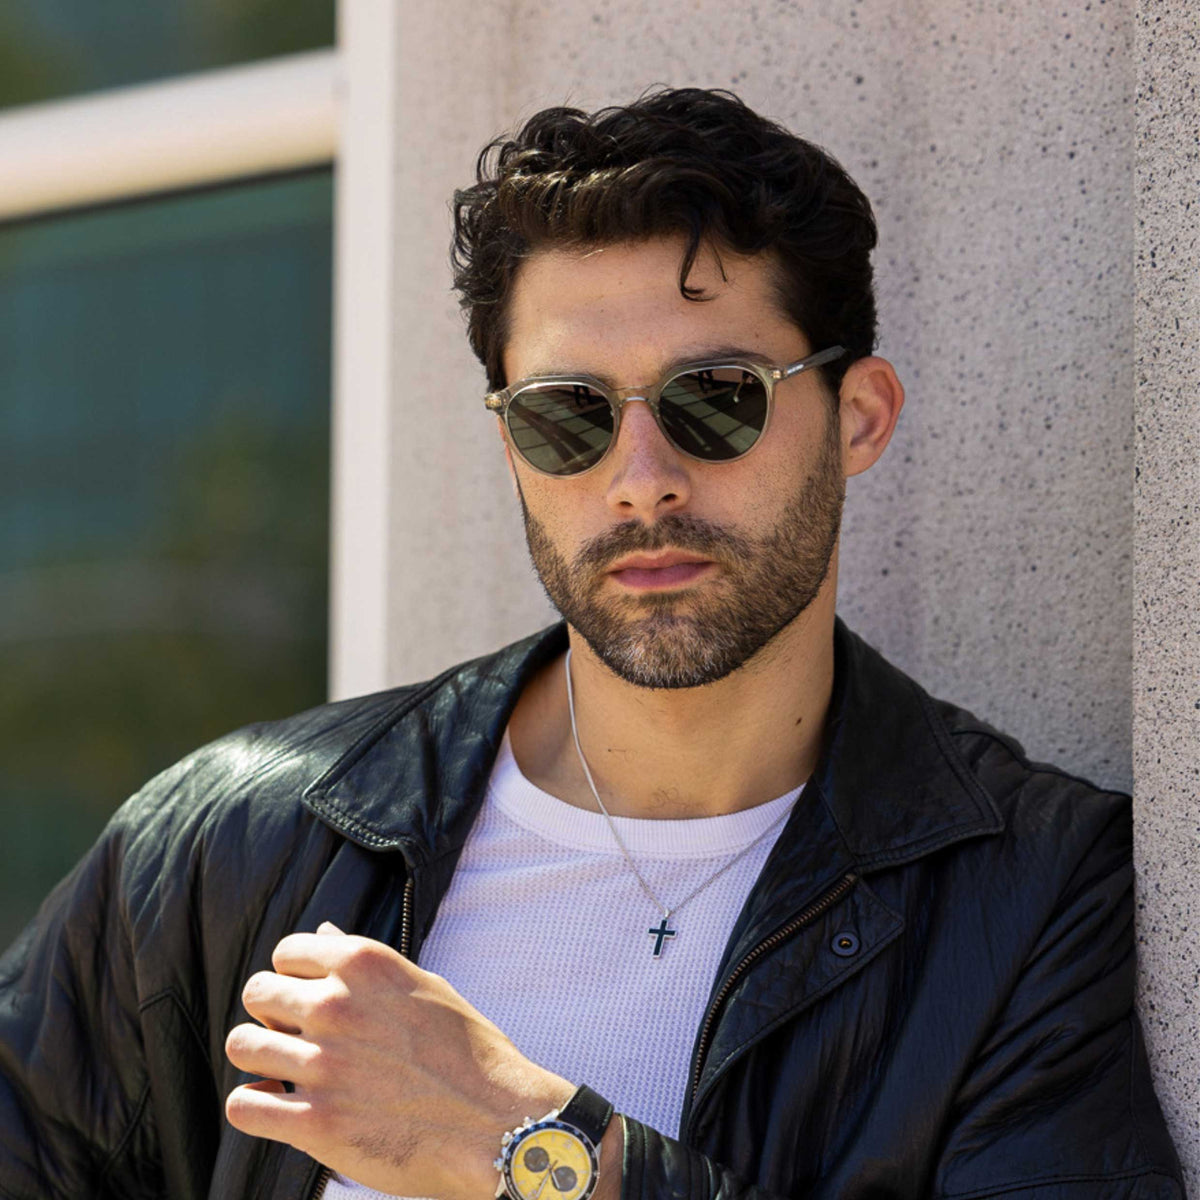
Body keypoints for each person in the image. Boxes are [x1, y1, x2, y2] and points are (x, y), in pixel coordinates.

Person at [0, 88, 1184, 1200]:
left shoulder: (1021, 894)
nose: (640, 483)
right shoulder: (242, 841)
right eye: (566, 415)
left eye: (715, 397)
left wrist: (520, 1143)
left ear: (857, 416)